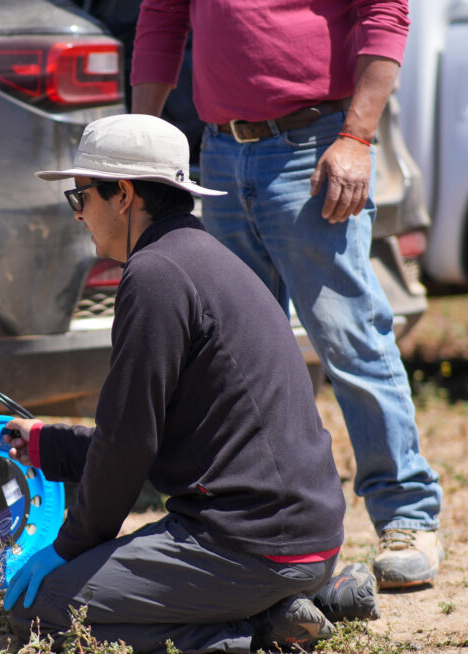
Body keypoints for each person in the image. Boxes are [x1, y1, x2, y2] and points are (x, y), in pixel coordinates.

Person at [2, 115, 377, 654]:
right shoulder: (202, 258)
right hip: (303, 537)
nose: (79, 212)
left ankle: (259, 624)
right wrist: (50, 446)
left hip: (249, 545)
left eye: (80, 196)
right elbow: (146, 439)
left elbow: (129, 447)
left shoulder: (155, 275)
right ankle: (301, 595)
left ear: (124, 195)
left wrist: (67, 550)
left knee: (38, 609)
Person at [129, 0, 443, 590]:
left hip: (315, 146)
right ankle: (266, 522)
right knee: (238, 356)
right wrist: (138, 147)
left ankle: (407, 515)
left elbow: (385, 14)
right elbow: (162, 19)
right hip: (221, 152)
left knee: (350, 339)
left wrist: (356, 137)